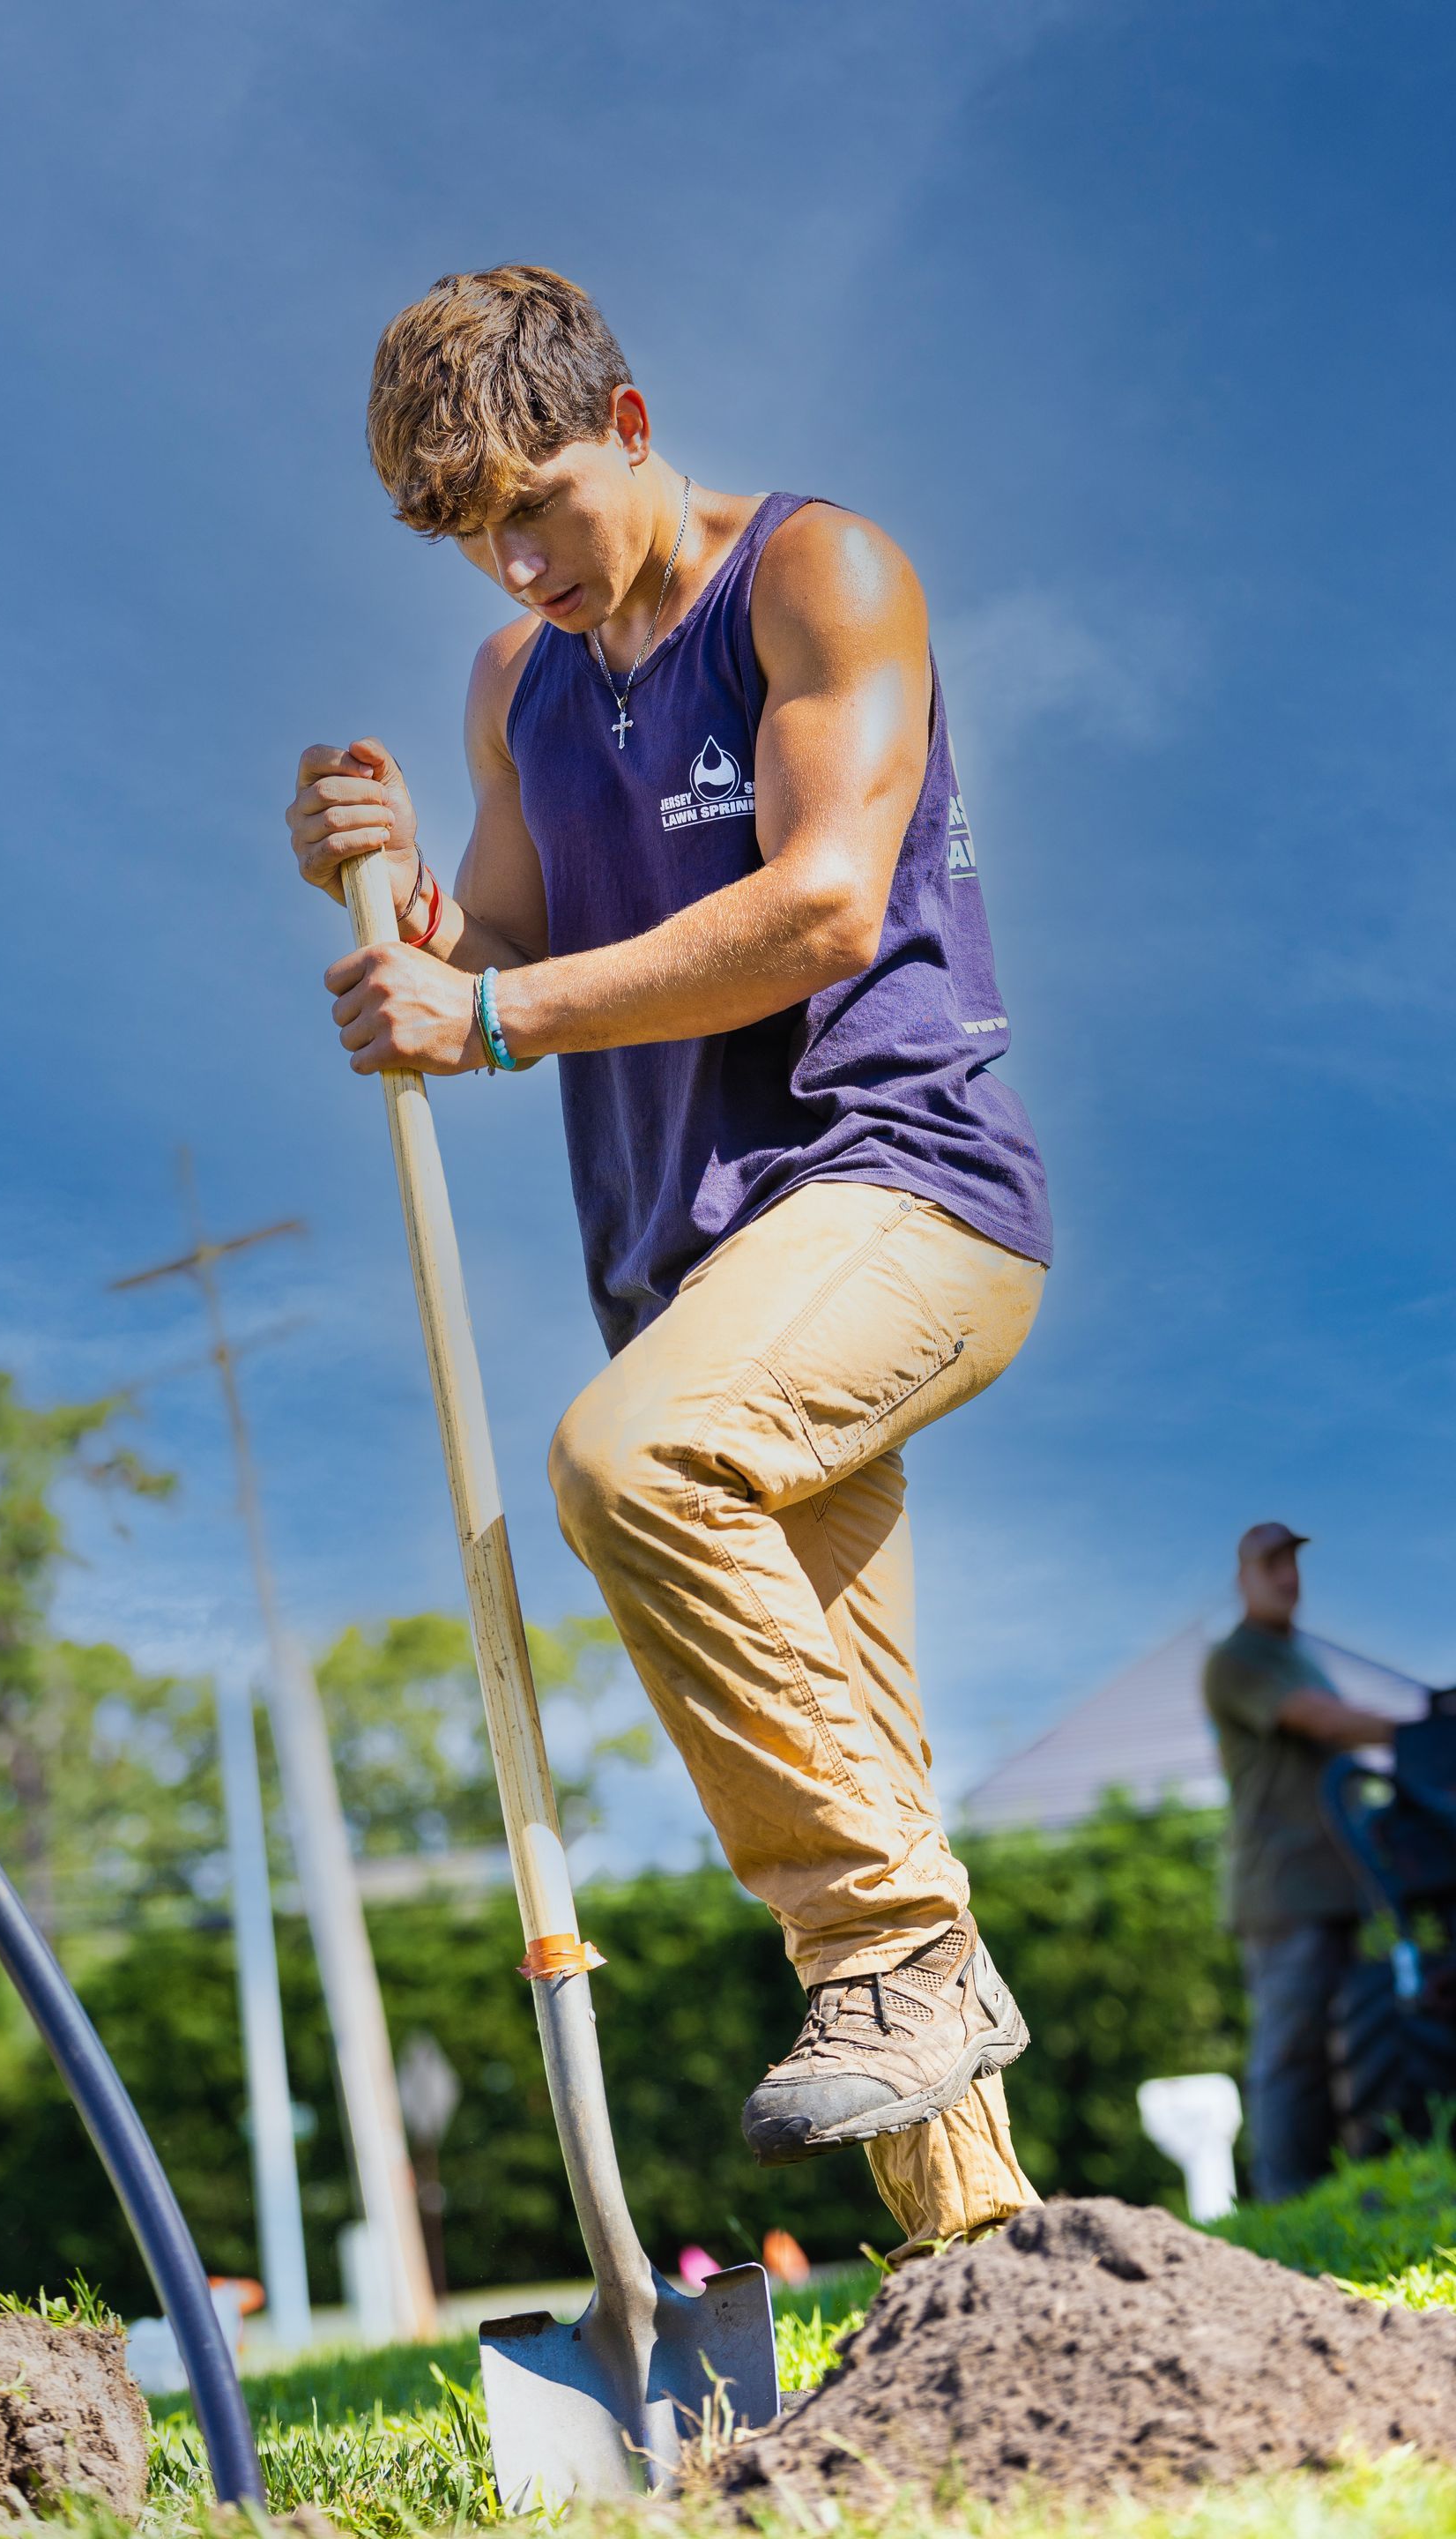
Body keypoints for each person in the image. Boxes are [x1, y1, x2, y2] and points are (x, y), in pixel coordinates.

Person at [286, 266, 1052, 2248]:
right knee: (858, 1752)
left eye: (538, 500)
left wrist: (500, 1022)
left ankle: (898, 1952)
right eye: (473, 534)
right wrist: (405, 897)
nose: (519, 558)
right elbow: (509, 950)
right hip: (691, 1267)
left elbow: (816, 908)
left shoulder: (818, 576)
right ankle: (989, 2275)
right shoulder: (514, 687)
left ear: (627, 418)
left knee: (632, 1463)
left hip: (902, 1190)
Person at [1204, 1523, 1401, 2202]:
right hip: (1284, 1890)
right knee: (1292, 2056)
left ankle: (1350, 2189)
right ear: (1243, 1578)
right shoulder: (1240, 1657)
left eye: (1292, 1562)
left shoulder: (1298, 1654)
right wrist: (1423, 1726)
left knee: (1349, 2050)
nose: (1286, 1576)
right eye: (1270, 1564)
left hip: (1336, 1887)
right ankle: (1286, 2199)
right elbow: (1324, 1721)